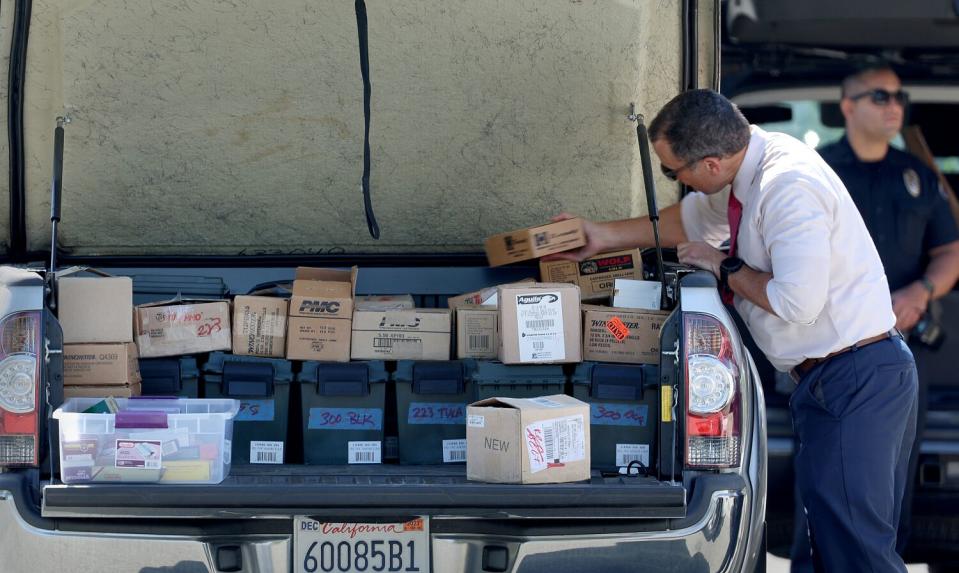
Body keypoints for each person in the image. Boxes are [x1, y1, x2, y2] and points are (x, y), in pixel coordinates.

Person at [549, 89, 918, 572]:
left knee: (856, 551)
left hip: (856, 377)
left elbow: (797, 303)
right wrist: (601, 235)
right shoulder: (748, 171)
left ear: (711, 165)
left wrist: (723, 265)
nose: (674, 182)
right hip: (832, 379)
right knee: (825, 545)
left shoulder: (787, 187)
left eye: (672, 172)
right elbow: (692, 221)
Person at [813, 66, 959, 560]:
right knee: (827, 484)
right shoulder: (816, 171)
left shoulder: (915, 175)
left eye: (900, 95)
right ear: (848, 106)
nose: (894, 104)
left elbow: (950, 251)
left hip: (898, 355)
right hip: (830, 350)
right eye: (880, 96)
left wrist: (920, 292)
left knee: (891, 482)